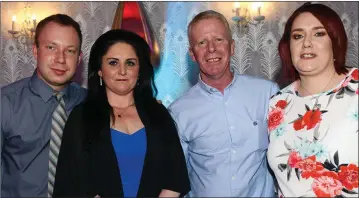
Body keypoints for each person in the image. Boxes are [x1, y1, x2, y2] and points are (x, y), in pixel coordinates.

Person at [53, 29, 190, 197]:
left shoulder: (158, 114)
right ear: (100, 70)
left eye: (130, 63)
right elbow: (74, 182)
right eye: (113, 63)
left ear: (140, 70)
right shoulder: (81, 117)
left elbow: (175, 178)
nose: (122, 71)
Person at [168, 10, 279, 197]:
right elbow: (175, 178)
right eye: (202, 42)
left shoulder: (268, 94)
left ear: (232, 47)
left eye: (219, 39)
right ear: (192, 54)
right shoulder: (179, 112)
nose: (211, 48)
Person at [267, 3, 358, 197]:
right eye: (298, 36)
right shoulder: (278, 104)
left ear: (335, 41)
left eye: (319, 34)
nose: (306, 43)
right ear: (288, 46)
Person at [1, 14, 86, 197]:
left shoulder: (90, 102)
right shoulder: (5, 103)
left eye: (70, 51)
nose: (60, 59)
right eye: (51, 47)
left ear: (79, 58)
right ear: (35, 51)